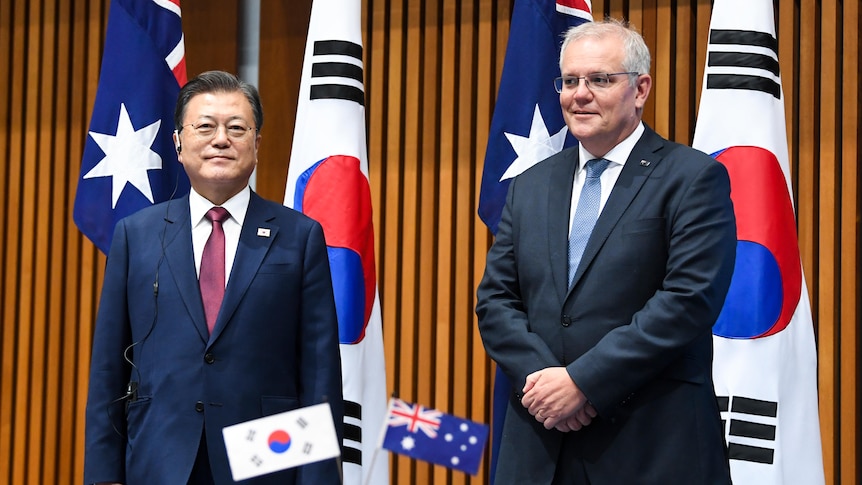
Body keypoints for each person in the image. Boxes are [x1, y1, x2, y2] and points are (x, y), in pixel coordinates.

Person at [476, 19, 736, 484]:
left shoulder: (692, 178)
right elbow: (496, 301)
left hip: (650, 447)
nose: (580, 94)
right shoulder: (530, 185)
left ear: (640, 89)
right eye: (570, 81)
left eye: (599, 79)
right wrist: (547, 384)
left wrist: (584, 383)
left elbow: (688, 300)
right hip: (539, 446)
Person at [84, 70, 343, 485]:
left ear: (256, 145)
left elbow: (319, 371)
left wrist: (317, 479)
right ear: (178, 142)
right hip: (159, 460)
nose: (220, 139)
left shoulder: (300, 236)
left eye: (236, 128)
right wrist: (102, 475)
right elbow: (107, 369)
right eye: (204, 126)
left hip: (267, 463)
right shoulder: (136, 235)